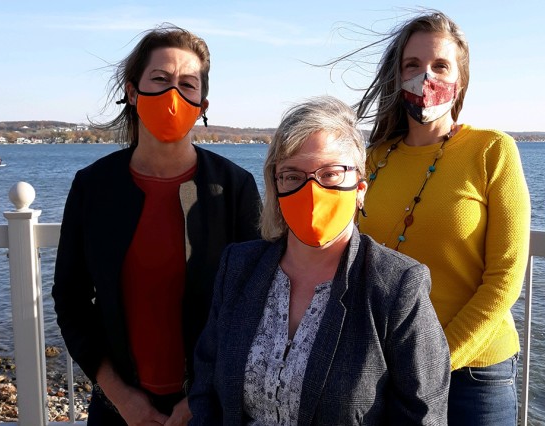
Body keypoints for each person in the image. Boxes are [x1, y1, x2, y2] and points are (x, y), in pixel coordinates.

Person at [188, 96, 450, 425]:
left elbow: (422, 416)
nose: (312, 192)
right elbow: (206, 385)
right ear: (275, 186)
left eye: (330, 174)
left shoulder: (396, 288)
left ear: (360, 188)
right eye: (293, 176)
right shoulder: (238, 267)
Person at [52, 24, 261, 425]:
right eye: (160, 79)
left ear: (203, 102)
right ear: (132, 92)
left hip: (210, 406)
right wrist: (122, 398)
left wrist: (200, 396)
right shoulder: (93, 187)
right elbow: (72, 301)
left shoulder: (233, 187)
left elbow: (251, 305)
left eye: (188, 84)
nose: (173, 95)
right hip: (118, 410)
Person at [352, 10, 531, 425]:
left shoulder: (492, 151)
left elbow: (505, 278)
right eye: (412, 65)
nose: (425, 77)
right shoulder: (374, 158)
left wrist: (436, 360)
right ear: (397, 78)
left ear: (460, 80)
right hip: (388, 368)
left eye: (440, 66)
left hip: (474, 374)